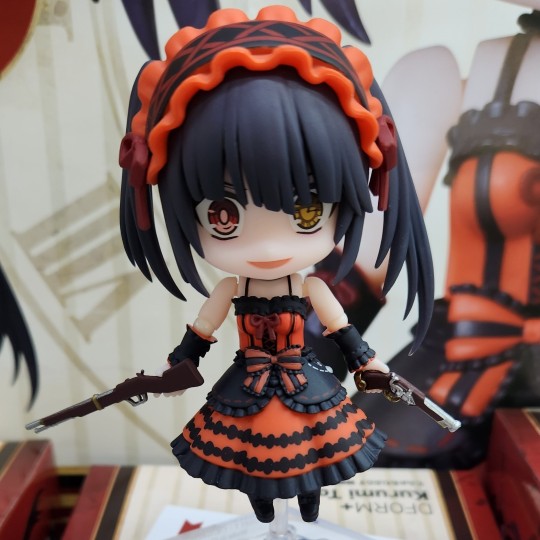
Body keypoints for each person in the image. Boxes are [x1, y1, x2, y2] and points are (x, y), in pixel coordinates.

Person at [118, 6, 433, 523]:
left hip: (304, 381)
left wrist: (367, 363)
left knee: (314, 451)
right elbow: (200, 333)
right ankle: (263, 507)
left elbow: (343, 331)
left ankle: (308, 502)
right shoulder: (231, 289)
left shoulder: (310, 287)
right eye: (222, 216)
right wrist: (177, 367)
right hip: (247, 384)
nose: (267, 248)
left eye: (308, 212)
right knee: (250, 458)